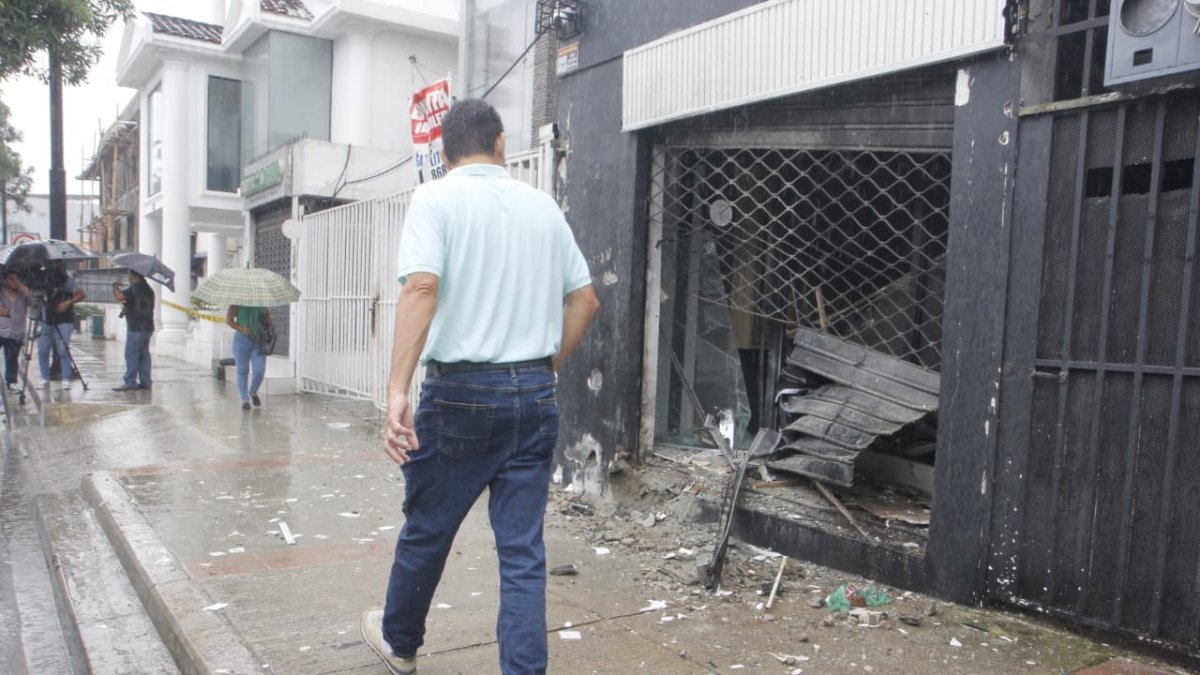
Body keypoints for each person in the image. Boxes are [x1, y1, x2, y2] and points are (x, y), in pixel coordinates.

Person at [360, 99, 600, 675]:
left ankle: (400, 644)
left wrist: (396, 391)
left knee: (429, 528)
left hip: (460, 396)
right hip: (534, 395)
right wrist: (547, 365)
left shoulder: (435, 199)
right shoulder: (543, 206)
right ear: (500, 143)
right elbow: (586, 300)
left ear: (444, 155)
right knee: (522, 553)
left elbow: (422, 289)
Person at [38, 261, 85, 388]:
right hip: (46, 318)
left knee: (63, 349)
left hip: (64, 319)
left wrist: (67, 303)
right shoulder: (41, 279)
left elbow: (81, 294)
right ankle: (44, 378)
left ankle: (65, 378)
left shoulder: (66, 280)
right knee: (43, 350)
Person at [112, 271, 156, 391]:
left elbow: (119, 297)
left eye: (129, 275)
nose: (128, 278)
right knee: (144, 355)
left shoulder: (135, 289)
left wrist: (115, 286)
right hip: (148, 327)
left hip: (136, 327)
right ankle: (146, 382)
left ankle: (130, 381)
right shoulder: (149, 290)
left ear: (133, 276)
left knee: (131, 355)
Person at [225, 304, 271, 411]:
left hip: (258, 341)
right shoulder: (236, 304)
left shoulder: (261, 303)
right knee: (242, 370)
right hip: (241, 341)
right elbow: (229, 320)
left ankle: (253, 392)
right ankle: (245, 400)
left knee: (259, 370)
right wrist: (241, 328)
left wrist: (268, 318)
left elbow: (268, 320)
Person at [0, 270, 31, 394]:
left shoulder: (23, 295)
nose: (14, 281)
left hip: (16, 332)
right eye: (11, 279)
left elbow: (35, 305)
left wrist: (28, 293)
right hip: (1, 330)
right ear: (5, 281)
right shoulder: (1, 293)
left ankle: (11, 383)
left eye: (17, 278)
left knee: (12, 358)